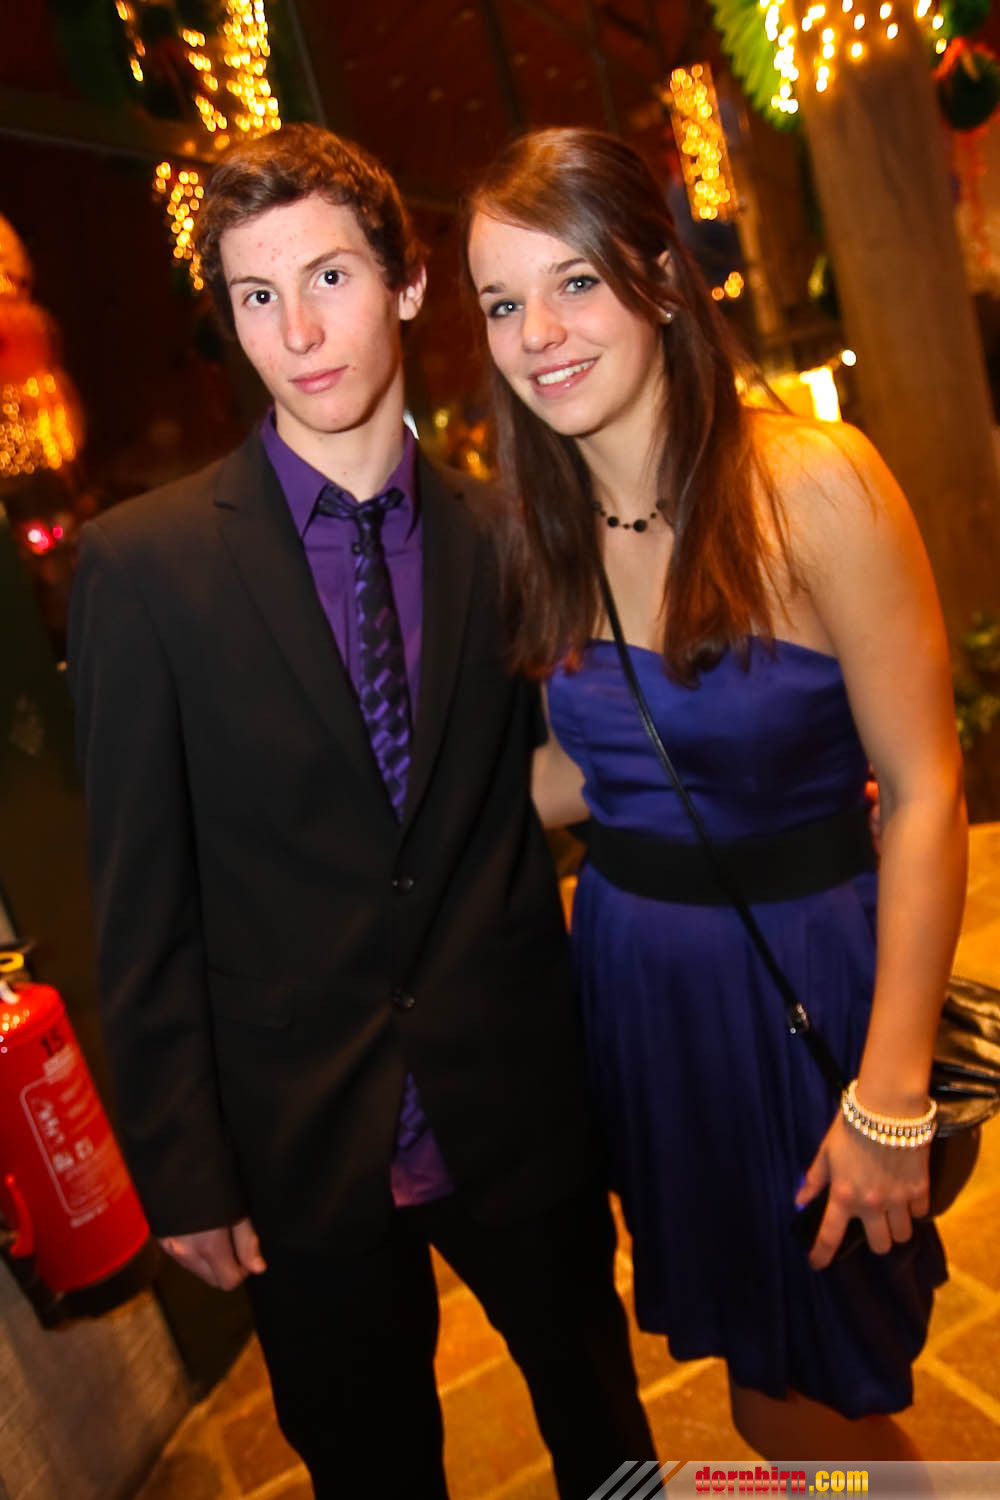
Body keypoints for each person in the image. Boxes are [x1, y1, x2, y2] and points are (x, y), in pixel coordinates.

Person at [67, 123, 656, 1500]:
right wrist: (182, 1170)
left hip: (516, 1102)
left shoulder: (509, 531)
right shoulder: (142, 570)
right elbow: (139, 905)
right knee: (373, 1474)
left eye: (329, 278)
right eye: (256, 296)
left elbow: (552, 778)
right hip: (303, 1152)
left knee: (607, 1439)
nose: (297, 332)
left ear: (406, 283)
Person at [464, 127, 968, 1458]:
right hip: (641, 1004)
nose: (537, 333)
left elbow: (926, 789)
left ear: (661, 282)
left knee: (820, 1393)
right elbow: (591, 772)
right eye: (503, 303)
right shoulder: (541, 530)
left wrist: (889, 1092)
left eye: (575, 282)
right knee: (760, 1382)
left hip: (800, 982)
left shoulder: (813, 485)